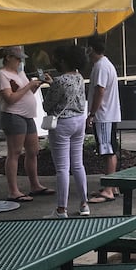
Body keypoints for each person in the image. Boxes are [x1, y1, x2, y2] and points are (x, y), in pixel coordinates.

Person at [0, 45, 54, 202]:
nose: (20, 61)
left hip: (28, 115)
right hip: (13, 115)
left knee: (33, 150)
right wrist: (29, 85)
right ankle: (13, 190)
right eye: (17, 58)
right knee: (14, 152)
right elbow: (10, 98)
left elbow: (27, 93)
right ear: (8, 58)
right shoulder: (2, 75)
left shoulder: (20, 73)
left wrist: (37, 84)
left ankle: (35, 185)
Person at [42, 45, 90, 218]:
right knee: (78, 164)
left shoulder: (61, 81)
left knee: (62, 168)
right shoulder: (79, 77)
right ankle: (84, 204)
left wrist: (51, 86)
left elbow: (47, 105)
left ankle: (61, 209)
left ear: (63, 60)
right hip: (79, 121)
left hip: (62, 124)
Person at [86, 36, 121, 203]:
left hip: (104, 115)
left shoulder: (101, 66)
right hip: (108, 114)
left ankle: (108, 190)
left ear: (91, 49)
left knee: (107, 151)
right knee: (109, 149)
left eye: (87, 48)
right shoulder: (104, 64)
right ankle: (112, 185)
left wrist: (92, 113)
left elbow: (100, 91)